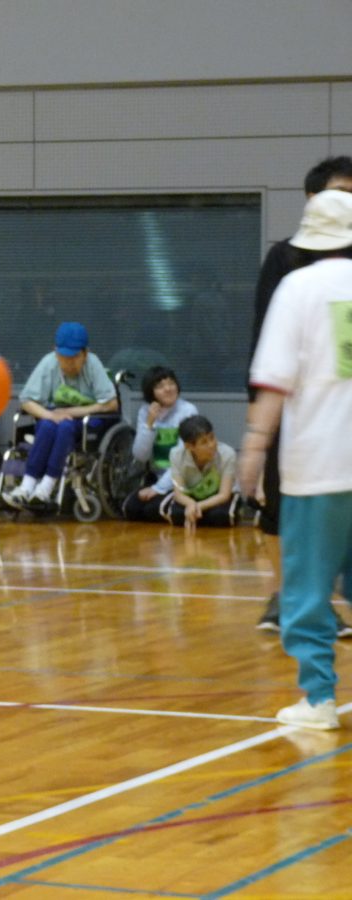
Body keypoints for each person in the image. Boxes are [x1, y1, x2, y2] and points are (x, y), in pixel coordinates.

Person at [240, 189, 352, 730]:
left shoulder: (296, 288)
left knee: (307, 588)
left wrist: (254, 450)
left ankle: (319, 699)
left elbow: (273, 382)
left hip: (319, 465)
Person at [2, 321, 117, 511]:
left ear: (85, 353)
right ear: (55, 351)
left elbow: (111, 404)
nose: (68, 363)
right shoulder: (49, 363)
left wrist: (71, 412)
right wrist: (49, 414)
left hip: (87, 420)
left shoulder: (93, 364)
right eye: (63, 357)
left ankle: (46, 488)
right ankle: (26, 487)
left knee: (65, 426)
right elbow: (27, 401)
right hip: (53, 416)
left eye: (74, 358)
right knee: (47, 425)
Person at [120, 366, 198, 519]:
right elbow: (141, 455)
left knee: (152, 509)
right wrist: (149, 424)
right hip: (157, 476)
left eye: (171, 383)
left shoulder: (188, 411)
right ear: (151, 392)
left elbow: (183, 458)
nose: (168, 389)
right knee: (131, 508)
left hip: (183, 479)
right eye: (160, 386)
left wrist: (158, 488)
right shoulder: (145, 411)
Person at [158, 415, 239, 531]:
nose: (211, 444)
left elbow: (224, 495)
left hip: (217, 498)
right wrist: (191, 503)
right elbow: (179, 493)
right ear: (189, 446)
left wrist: (196, 507)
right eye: (204, 442)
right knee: (175, 515)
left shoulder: (228, 454)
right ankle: (196, 517)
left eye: (212, 438)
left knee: (221, 516)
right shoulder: (176, 455)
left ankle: (195, 516)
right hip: (193, 495)